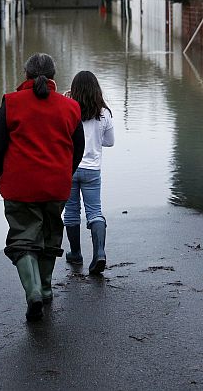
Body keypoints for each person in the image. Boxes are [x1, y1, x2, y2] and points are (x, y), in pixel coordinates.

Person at [0, 53, 85, 322]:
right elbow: (78, 149)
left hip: (20, 186)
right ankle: (45, 287)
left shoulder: (11, 103)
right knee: (50, 236)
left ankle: (32, 292)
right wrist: (65, 172)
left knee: (23, 239)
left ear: (26, 75)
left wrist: (0, 172)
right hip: (56, 185)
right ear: (54, 76)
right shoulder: (70, 108)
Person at [63, 71, 115, 275]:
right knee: (94, 212)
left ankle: (75, 254)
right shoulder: (103, 113)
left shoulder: (68, 109)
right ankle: (99, 252)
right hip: (92, 170)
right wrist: (95, 138)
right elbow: (110, 142)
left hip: (70, 168)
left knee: (72, 211)